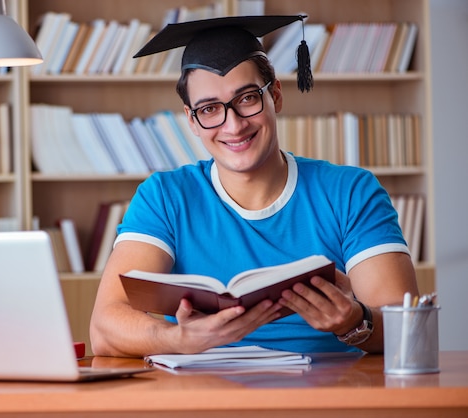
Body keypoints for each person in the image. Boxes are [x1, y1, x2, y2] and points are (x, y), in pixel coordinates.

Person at [89, 15, 419, 357]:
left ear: (275, 96)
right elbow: (104, 328)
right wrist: (179, 340)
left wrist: (354, 322)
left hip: (329, 392)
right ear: (192, 121)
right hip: (203, 397)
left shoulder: (351, 192)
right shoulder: (165, 197)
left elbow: (406, 330)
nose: (232, 125)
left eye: (247, 99)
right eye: (210, 109)